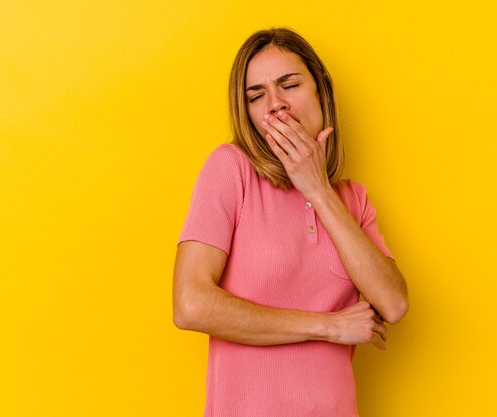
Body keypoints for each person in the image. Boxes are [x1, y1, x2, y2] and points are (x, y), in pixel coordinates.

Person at [173, 27, 409, 417]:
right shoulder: (231, 169)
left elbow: (394, 303)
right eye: (256, 95)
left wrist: (317, 189)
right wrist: (329, 326)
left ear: (322, 92)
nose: (275, 105)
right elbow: (191, 304)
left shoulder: (353, 198)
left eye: (289, 85)